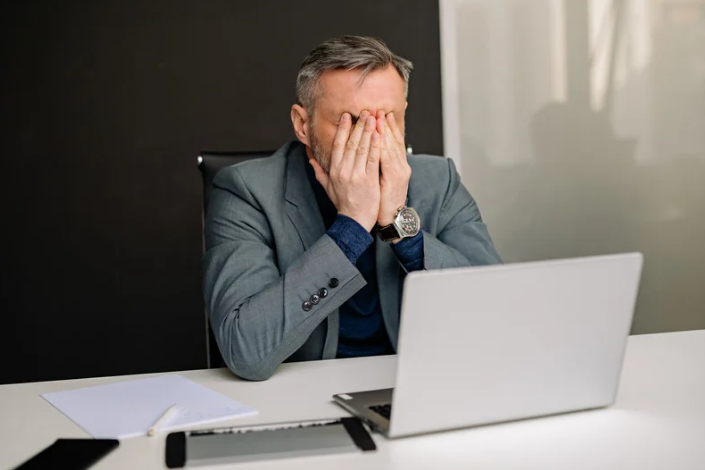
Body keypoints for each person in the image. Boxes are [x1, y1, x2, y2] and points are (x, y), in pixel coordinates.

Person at [203, 36, 501, 381]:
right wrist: (352, 226)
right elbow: (246, 353)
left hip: (419, 385)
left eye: (388, 120)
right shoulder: (246, 191)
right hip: (302, 392)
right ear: (303, 124)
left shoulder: (439, 180)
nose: (373, 140)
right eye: (351, 122)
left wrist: (400, 228)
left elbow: (497, 315)